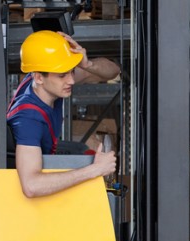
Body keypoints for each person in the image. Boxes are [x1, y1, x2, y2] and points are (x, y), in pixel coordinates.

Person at [7, 30, 120, 198]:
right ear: (38, 77)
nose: (71, 81)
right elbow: (31, 186)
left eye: (71, 71)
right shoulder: (28, 119)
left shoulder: (45, 82)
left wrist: (88, 65)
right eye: (62, 75)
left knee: (81, 150)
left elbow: (114, 71)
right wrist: (95, 170)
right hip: (23, 204)